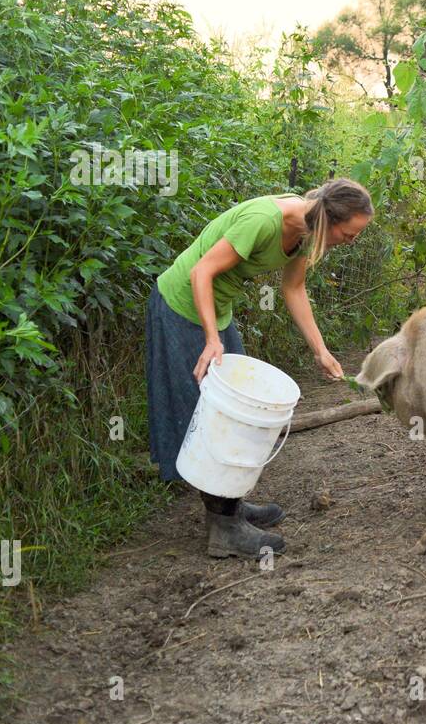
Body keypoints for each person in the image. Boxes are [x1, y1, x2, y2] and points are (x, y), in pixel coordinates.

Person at [144, 179, 373, 557]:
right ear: (329, 218)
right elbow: (201, 272)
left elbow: (294, 289)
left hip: (217, 311)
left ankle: (230, 506)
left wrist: (320, 350)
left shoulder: (305, 232)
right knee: (212, 412)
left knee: (237, 412)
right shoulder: (264, 221)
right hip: (182, 306)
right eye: (349, 234)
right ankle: (224, 529)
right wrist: (211, 339)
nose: (350, 242)